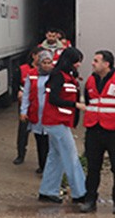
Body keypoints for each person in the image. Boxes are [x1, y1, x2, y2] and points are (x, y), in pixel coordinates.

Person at [79, 50, 115, 215]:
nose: (92, 63)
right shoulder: (90, 81)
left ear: (106, 64)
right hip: (94, 130)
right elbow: (90, 102)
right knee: (93, 167)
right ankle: (90, 199)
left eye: (96, 60)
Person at [37, 47, 88, 205]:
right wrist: (75, 104)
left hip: (57, 121)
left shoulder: (64, 76)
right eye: (77, 61)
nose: (78, 64)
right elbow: (53, 99)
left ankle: (47, 190)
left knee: (56, 157)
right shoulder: (59, 76)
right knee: (71, 156)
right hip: (56, 121)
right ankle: (80, 193)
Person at [19, 50, 53, 173]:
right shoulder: (32, 74)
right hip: (36, 114)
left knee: (50, 143)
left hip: (50, 115)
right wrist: (23, 111)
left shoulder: (55, 76)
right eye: (44, 62)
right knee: (40, 142)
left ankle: (49, 168)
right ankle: (42, 166)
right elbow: (26, 94)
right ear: (39, 63)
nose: (47, 65)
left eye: (49, 62)